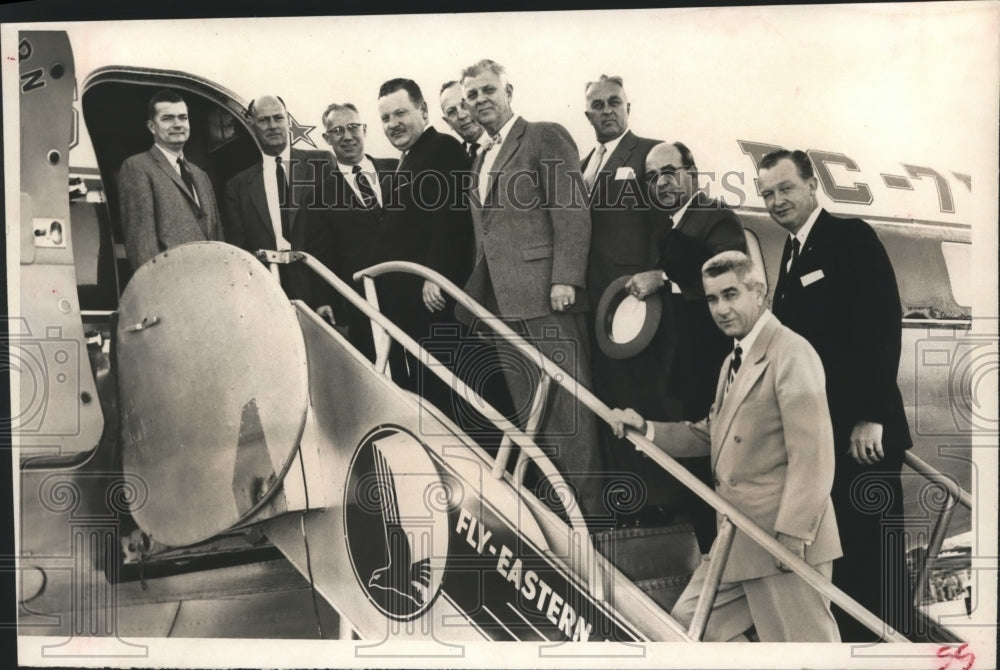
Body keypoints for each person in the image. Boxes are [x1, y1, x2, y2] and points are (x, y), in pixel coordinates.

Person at [609, 251, 841, 642]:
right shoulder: (734, 360)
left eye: (731, 294)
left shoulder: (790, 353)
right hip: (737, 538)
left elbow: (813, 455)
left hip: (780, 540)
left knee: (807, 651)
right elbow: (712, 433)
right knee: (687, 629)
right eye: (712, 298)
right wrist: (647, 429)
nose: (720, 309)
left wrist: (792, 536)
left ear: (759, 292)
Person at [757, 149, 912, 640]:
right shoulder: (792, 252)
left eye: (785, 188)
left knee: (877, 567)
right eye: (767, 194)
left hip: (862, 439)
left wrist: (872, 415)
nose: (777, 201)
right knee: (846, 568)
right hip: (826, 438)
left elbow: (882, 325)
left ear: (812, 185)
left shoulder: (849, 237)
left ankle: (893, 655)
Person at [458, 58, 604, 520]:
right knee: (532, 419)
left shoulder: (543, 136)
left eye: (488, 90)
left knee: (569, 416)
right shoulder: (480, 158)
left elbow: (571, 210)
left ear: (508, 92)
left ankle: (591, 520)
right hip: (503, 308)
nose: (480, 100)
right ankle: (559, 519)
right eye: (471, 95)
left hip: (546, 298)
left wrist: (565, 279)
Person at [625, 141, 748, 549]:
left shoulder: (715, 216)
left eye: (669, 172)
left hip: (717, 365)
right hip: (691, 368)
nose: (661, 183)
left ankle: (725, 553)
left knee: (719, 466)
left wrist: (663, 278)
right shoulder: (672, 224)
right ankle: (713, 552)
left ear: (692, 173)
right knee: (699, 471)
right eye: (653, 177)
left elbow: (730, 278)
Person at [577, 75, 670, 523]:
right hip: (596, 308)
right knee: (609, 400)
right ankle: (623, 502)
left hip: (636, 305)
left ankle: (654, 503)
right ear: (588, 115)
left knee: (641, 400)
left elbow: (666, 223)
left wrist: (660, 276)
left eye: (615, 102)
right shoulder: (582, 165)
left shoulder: (650, 154)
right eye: (598, 105)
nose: (607, 110)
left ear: (628, 107)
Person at [376, 78, 474, 412]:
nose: (393, 123)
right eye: (386, 118)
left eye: (401, 113)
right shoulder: (409, 157)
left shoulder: (442, 148)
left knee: (447, 396)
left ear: (424, 111)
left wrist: (436, 274)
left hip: (435, 302)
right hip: (412, 308)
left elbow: (452, 219)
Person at [301, 102, 397, 360]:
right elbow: (321, 253)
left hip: (409, 290)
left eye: (353, 127)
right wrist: (324, 300)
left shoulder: (398, 169)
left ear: (364, 130)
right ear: (327, 138)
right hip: (361, 301)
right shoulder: (319, 195)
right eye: (337, 130)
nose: (347, 136)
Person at [222, 94, 329, 301]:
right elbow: (239, 251)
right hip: (269, 292)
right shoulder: (237, 186)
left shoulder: (321, 164)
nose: (272, 126)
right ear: (252, 125)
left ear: (288, 121)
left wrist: (328, 297)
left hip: (320, 285)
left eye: (278, 118)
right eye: (264, 120)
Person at [119, 89, 221, 271]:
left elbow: (217, 234)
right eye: (167, 118)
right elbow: (142, 245)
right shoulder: (137, 167)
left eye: (183, 118)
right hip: (171, 281)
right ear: (152, 127)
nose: (178, 124)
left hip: (209, 279)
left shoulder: (200, 175)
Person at [439, 80, 484, 164]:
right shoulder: (452, 161)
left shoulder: (505, 143)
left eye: (465, 105)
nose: (461, 116)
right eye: (452, 111)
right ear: (448, 123)